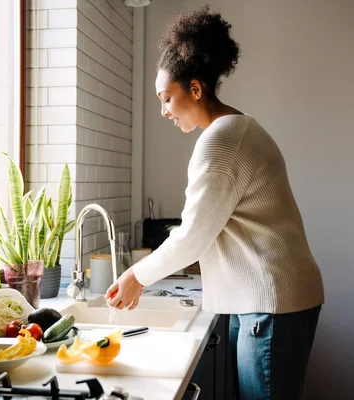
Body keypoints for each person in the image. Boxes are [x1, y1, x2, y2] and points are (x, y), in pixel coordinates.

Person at [105, 5, 324, 400]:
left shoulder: (220, 140)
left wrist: (135, 276)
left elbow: (192, 237)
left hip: (270, 302)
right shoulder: (237, 129)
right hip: (267, 300)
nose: (163, 111)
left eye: (167, 98)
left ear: (195, 88)